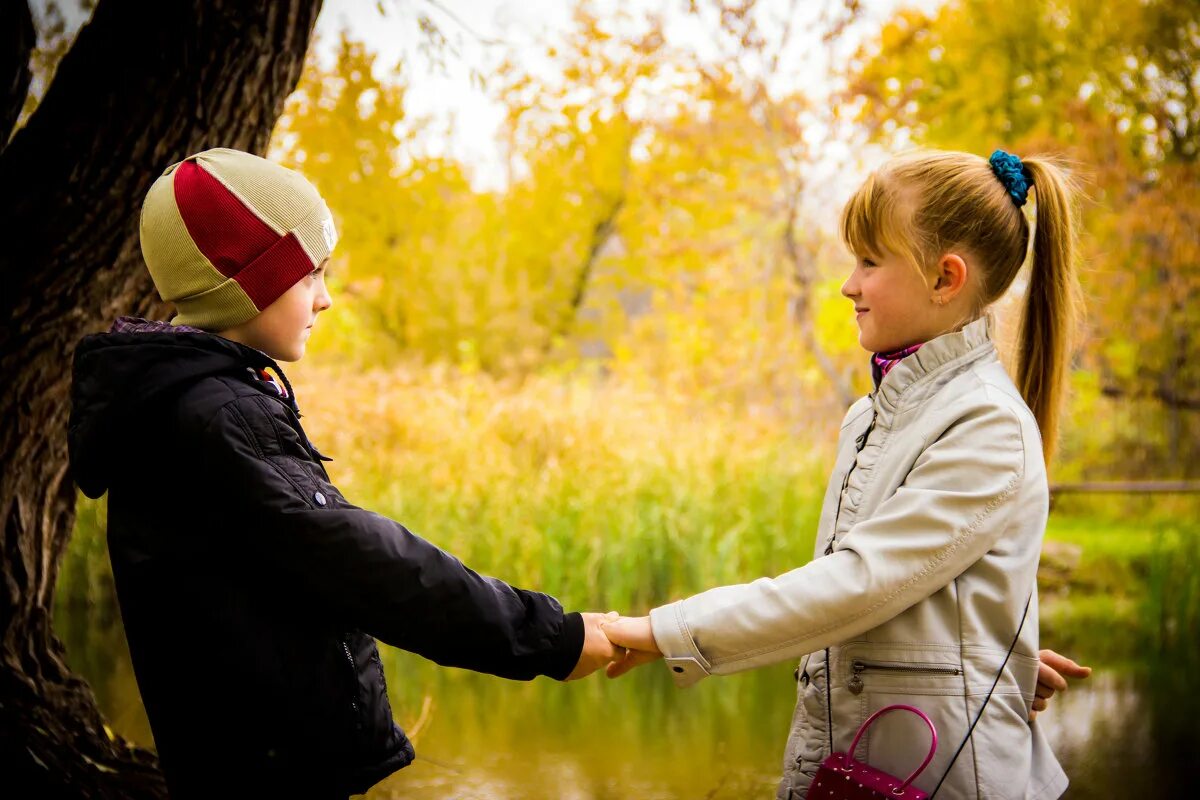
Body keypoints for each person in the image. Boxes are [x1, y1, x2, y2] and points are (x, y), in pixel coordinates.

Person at [67, 148, 620, 799]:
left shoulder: (178, 400)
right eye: (309, 276)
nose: (325, 299)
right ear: (243, 282)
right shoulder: (219, 416)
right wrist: (551, 638)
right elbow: (371, 565)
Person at [603, 149, 1091, 799]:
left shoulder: (987, 425)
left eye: (869, 261)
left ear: (945, 279)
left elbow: (858, 585)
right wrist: (987, 654)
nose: (848, 285)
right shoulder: (871, 416)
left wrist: (667, 631)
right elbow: (914, 588)